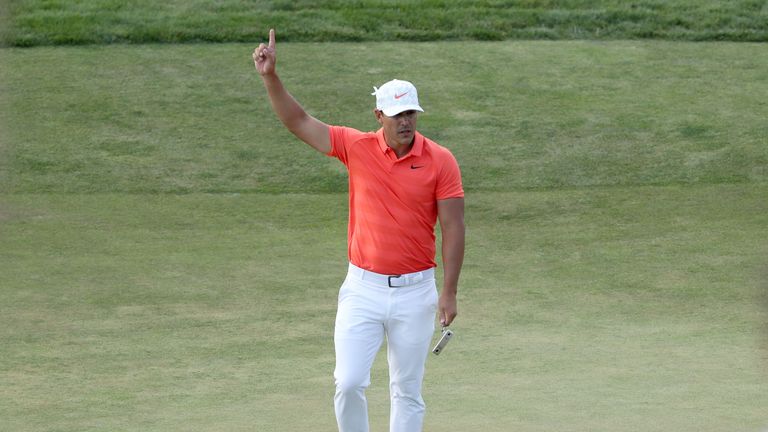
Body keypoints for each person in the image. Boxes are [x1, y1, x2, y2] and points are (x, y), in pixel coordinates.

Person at [253, 29, 465, 432]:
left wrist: (449, 290)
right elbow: (298, 121)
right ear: (378, 116)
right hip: (362, 289)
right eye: (397, 114)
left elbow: (454, 228)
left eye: (411, 114)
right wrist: (270, 77)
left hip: (416, 292)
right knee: (348, 382)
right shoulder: (356, 147)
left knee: (407, 390)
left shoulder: (441, 160)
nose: (406, 122)